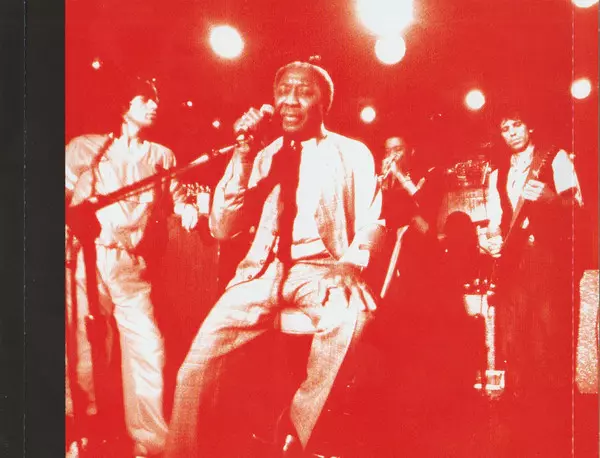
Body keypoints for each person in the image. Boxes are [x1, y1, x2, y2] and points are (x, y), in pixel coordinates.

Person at [165, 61, 383, 457]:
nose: (290, 100)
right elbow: (222, 227)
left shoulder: (352, 153)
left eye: (304, 92)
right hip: (261, 272)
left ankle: (297, 431)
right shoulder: (262, 156)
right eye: (283, 91)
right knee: (194, 366)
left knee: (352, 315)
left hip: (321, 269)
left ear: (325, 104)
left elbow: (373, 219)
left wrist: (352, 262)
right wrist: (243, 156)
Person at [65, 77, 200, 457]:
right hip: (86, 260)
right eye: (144, 99)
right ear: (123, 105)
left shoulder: (161, 156)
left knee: (148, 346)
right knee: (85, 347)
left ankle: (150, 443)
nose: (154, 105)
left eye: (156, 100)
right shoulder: (85, 147)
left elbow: (177, 196)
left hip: (130, 267)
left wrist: (188, 208)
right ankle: (79, 430)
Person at [479, 109, 583, 456]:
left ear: (530, 126)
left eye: (517, 125)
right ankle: (519, 421)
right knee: (513, 335)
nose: (511, 133)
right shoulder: (498, 173)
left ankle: (553, 420)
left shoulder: (555, 157)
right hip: (514, 262)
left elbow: (577, 207)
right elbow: (495, 220)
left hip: (548, 260)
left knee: (547, 334)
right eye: (505, 128)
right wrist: (492, 239)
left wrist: (551, 199)